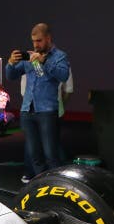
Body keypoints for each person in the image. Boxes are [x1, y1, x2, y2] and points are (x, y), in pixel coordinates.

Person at [6, 23, 70, 178]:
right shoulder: (30, 56)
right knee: (34, 154)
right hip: (27, 111)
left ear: (48, 38)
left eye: (39, 41)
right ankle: (41, 184)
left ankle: (57, 184)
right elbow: (11, 76)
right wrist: (10, 63)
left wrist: (44, 62)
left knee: (51, 154)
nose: (36, 45)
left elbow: (64, 76)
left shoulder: (59, 56)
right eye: (34, 41)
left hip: (47, 111)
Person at [19, 68, 73, 182]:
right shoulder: (32, 63)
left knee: (46, 146)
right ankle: (47, 176)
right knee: (41, 144)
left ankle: (52, 177)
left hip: (45, 111)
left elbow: (67, 88)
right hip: (39, 110)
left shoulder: (59, 62)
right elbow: (67, 90)